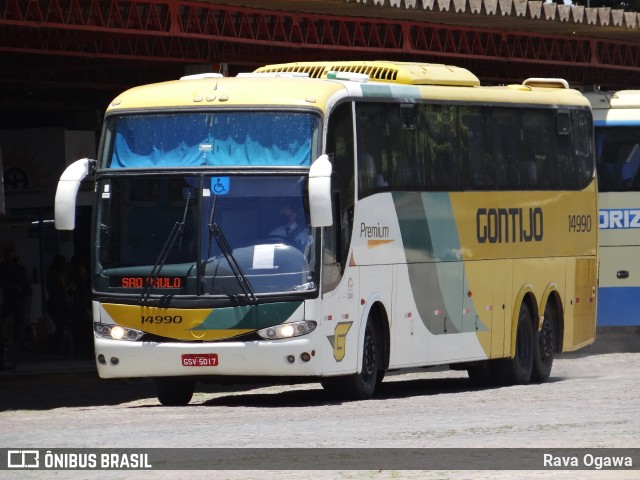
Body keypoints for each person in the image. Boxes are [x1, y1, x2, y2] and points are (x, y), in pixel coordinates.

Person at [0, 247, 33, 349]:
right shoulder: (4, 267)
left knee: (22, 318)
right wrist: (13, 286)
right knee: (19, 318)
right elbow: (2, 282)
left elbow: (28, 276)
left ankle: (20, 340)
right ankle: (18, 341)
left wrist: (22, 263)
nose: (13, 257)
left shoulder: (17, 266)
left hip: (24, 294)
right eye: (11, 255)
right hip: (13, 296)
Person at [45, 255, 71, 354]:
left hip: (52, 302)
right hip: (59, 302)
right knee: (61, 325)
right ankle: (58, 346)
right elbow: (61, 288)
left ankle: (56, 346)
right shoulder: (57, 274)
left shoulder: (50, 273)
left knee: (59, 325)